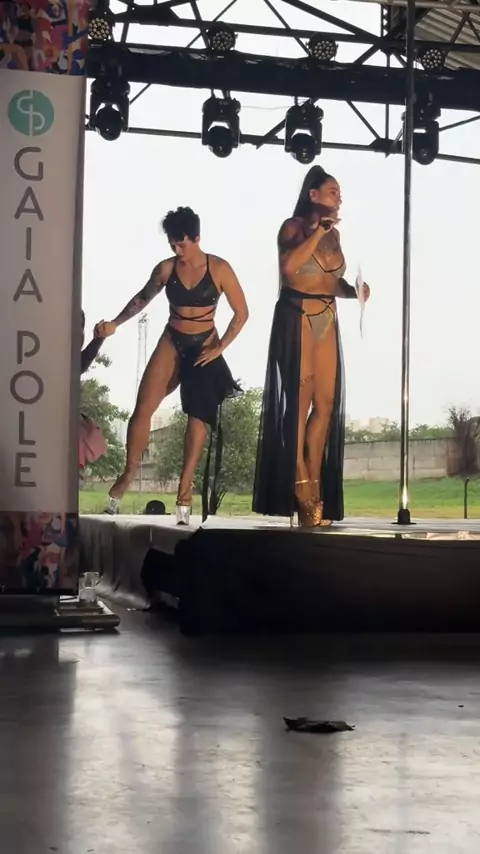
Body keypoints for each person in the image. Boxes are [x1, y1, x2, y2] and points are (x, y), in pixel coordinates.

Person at [94, 207, 248, 523]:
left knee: (197, 415)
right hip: (172, 339)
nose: (177, 250)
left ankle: (184, 489)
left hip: (204, 345)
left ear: (197, 238)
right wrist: (115, 324)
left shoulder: (219, 268)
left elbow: (241, 313)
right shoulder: (166, 269)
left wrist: (220, 347)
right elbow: (141, 299)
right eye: (172, 244)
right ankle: (128, 472)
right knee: (143, 409)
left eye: (182, 244)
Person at [253, 166, 370, 528]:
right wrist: (317, 232)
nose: (339, 197)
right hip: (297, 314)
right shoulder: (293, 228)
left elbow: (331, 282)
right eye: (333, 191)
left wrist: (354, 291)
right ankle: (301, 486)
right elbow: (290, 269)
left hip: (327, 317)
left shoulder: (336, 236)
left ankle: (314, 483)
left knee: (325, 404)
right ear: (313, 195)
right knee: (299, 404)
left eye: (340, 193)